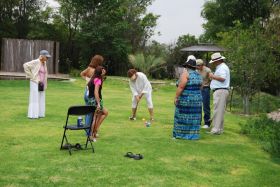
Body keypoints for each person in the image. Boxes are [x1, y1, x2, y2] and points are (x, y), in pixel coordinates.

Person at [173, 55, 202, 140]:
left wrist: (176, 97)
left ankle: (181, 135)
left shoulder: (186, 74)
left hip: (186, 99)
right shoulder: (198, 75)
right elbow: (201, 87)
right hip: (197, 99)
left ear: (187, 66)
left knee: (182, 116)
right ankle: (193, 136)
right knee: (194, 117)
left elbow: (181, 87)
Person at [23, 50, 51, 119]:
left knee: (41, 98)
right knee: (34, 98)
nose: (47, 58)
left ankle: (40, 114)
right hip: (35, 82)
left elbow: (44, 73)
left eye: (48, 57)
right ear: (42, 56)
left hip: (42, 84)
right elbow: (25, 65)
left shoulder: (44, 63)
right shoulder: (36, 61)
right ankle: (33, 115)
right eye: (46, 57)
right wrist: (31, 76)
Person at [208, 52, 230, 135]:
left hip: (221, 91)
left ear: (217, 61)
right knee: (220, 110)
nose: (213, 63)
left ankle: (216, 129)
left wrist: (212, 76)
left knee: (218, 110)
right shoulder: (221, 67)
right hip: (221, 90)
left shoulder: (222, 67)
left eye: (213, 61)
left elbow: (223, 78)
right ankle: (219, 129)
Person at [80, 55, 104, 126]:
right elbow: (97, 83)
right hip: (91, 93)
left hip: (86, 91)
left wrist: (87, 80)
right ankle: (88, 131)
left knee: (88, 111)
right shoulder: (96, 71)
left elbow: (81, 74)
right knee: (91, 113)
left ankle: (87, 128)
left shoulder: (89, 68)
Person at [87, 66, 108, 142]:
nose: (104, 72)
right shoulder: (98, 80)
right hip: (95, 100)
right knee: (95, 118)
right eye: (103, 71)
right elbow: (96, 92)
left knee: (104, 113)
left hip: (91, 99)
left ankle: (95, 131)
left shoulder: (93, 78)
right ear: (100, 72)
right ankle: (91, 136)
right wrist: (98, 103)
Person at [196, 59, 212, 129]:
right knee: (198, 106)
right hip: (198, 89)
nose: (197, 67)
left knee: (206, 106)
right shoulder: (196, 70)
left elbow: (212, 79)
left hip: (205, 89)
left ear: (202, 65)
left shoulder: (208, 70)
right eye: (196, 65)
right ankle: (198, 122)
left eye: (199, 65)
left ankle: (207, 123)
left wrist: (208, 86)